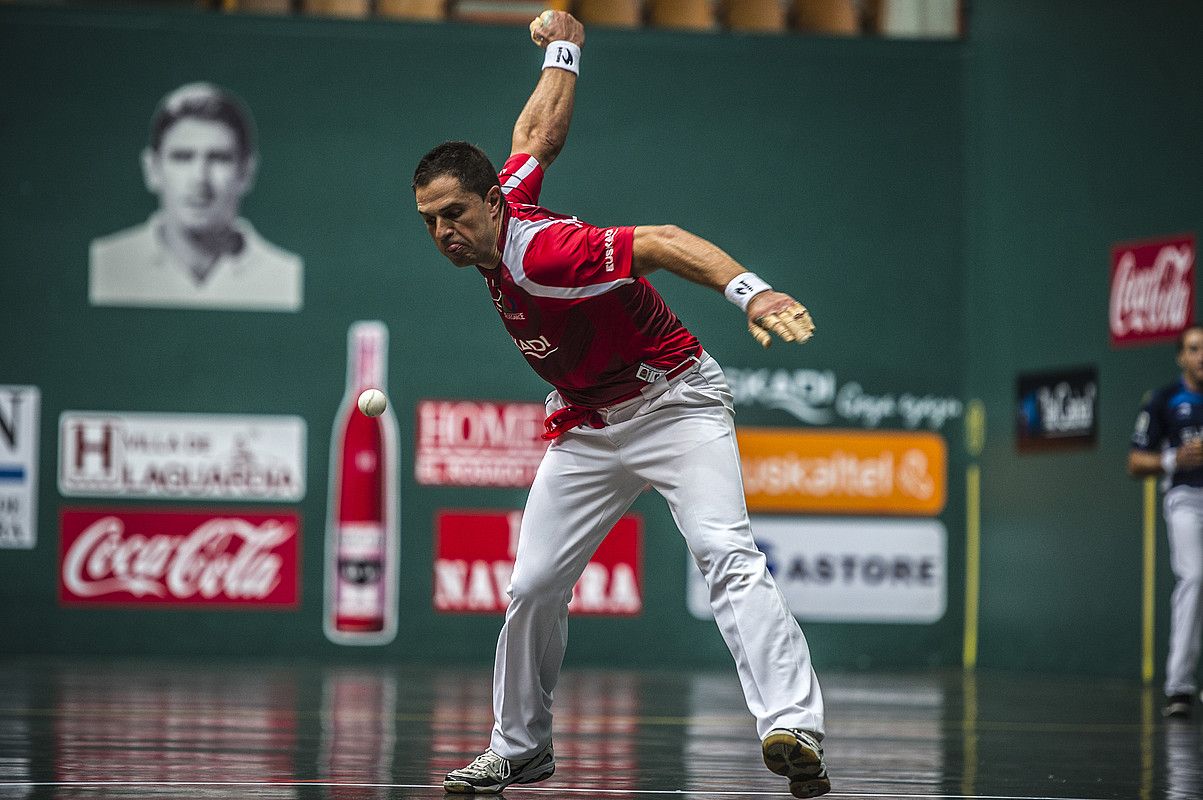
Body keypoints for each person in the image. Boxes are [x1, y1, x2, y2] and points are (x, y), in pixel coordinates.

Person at [414, 11, 829, 799]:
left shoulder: (544, 253)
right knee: (533, 583)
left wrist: (752, 291)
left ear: (490, 207)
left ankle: (792, 725)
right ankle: (520, 746)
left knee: (725, 551)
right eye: (430, 221)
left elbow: (665, 240)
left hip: (676, 404)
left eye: (455, 216)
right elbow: (537, 134)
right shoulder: (503, 199)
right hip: (590, 426)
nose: (444, 233)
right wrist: (566, 43)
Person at [89, 82, 302, 312]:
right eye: (182, 157)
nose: (200, 179)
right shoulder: (106, 264)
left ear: (246, 172)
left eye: (219, 158)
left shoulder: (285, 276)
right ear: (152, 169)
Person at [1130, 324, 1203, 719]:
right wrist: (1175, 459)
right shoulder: (1163, 400)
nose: (1202, 356)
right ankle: (1180, 687)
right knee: (1194, 577)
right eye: (1194, 349)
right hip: (1185, 500)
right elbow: (1135, 461)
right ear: (1181, 356)